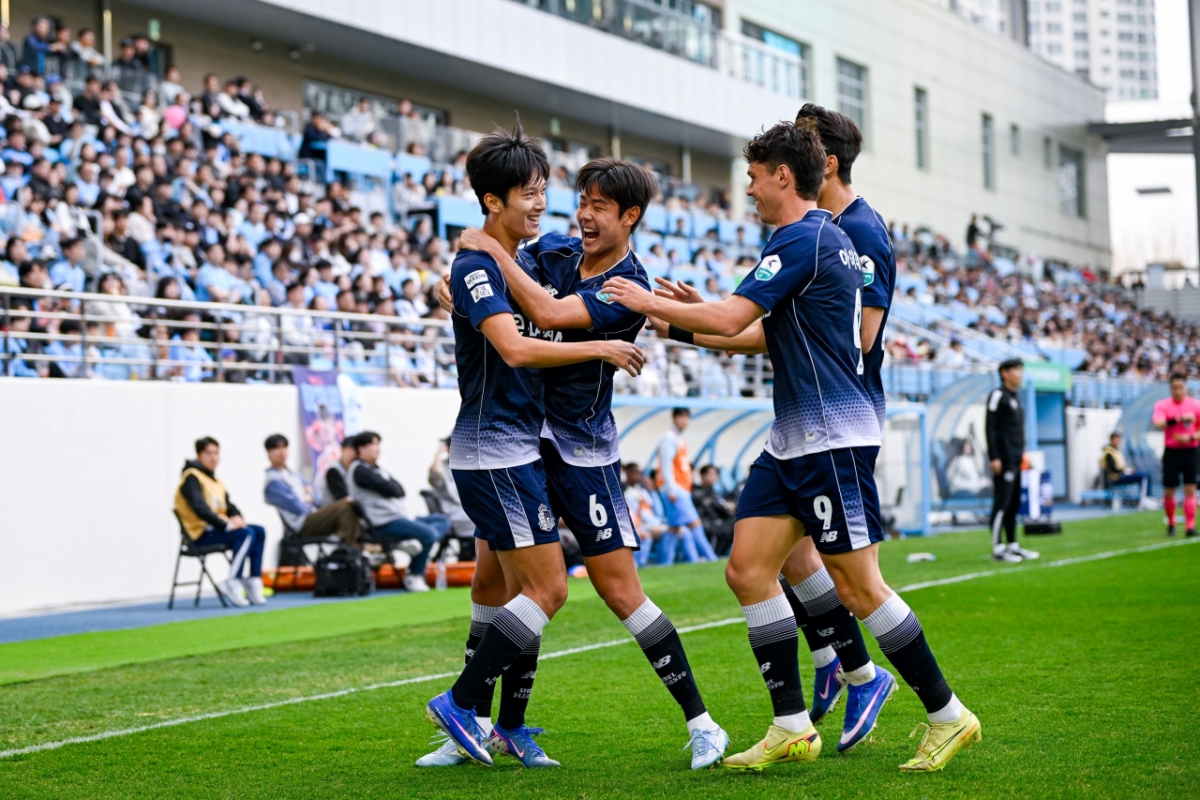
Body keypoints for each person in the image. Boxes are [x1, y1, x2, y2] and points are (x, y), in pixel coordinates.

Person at [600, 119, 979, 773]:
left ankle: (948, 715)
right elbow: (758, 329)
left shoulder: (806, 238)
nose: (746, 187)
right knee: (747, 568)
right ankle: (791, 725)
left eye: (753, 175)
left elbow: (733, 319)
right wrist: (681, 322)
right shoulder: (811, 238)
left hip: (831, 439)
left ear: (783, 175)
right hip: (794, 440)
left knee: (859, 589)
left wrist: (650, 302)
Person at [443, 156, 728, 768]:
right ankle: (500, 728)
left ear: (630, 217)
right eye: (583, 202)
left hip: (583, 453)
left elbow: (545, 315)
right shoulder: (553, 255)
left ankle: (703, 723)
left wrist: (487, 253)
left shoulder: (628, 287)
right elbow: (506, 290)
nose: (585, 215)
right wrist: (463, 282)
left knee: (620, 590)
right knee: (499, 580)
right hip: (523, 441)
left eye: (600, 207)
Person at [422, 124, 645, 770]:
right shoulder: (478, 265)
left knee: (499, 586)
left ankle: (498, 727)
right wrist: (601, 346)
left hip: (514, 451)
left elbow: (546, 305)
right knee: (547, 590)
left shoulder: (512, 262)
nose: (542, 204)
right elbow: (520, 344)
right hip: (494, 453)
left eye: (545, 191)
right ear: (493, 201)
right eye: (529, 193)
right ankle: (464, 707)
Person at [345, 431, 448, 592]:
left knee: (441, 520)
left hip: (401, 519)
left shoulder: (378, 469)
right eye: (373, 444)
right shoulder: (359, 470)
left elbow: (400, 489)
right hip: (384, 523)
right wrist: (390, 487)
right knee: (427, 535)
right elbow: (392, 489)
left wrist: (391, 487)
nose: (377, 448)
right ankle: (415, 574)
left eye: (378, 444)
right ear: (361, 449)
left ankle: (407, 542)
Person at [173, 437, 268, 607]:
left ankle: (253, 581)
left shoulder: (216, 482)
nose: (213, 457)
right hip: (199, 534)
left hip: (216, 530)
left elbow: (229, 506)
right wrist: (227, 525)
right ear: (198, 455)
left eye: (216, 453)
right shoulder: (191, 477)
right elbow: (200, 508)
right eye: (208, 453)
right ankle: (232, 581)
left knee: (259, 530)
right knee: (245, 534)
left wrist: (237, 516)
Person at [262, 434, 361, 544]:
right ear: (268, 452)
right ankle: (350, 549)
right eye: (276, 448)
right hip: (301, 523)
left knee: (351, 506)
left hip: (313, 515)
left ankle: (351, 548)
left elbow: (318, 497)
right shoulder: (274, 481)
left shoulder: (294, 474)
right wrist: (307, 498)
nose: (281, 451)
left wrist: (306, 497)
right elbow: (298, 508)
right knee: (345, 506)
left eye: (284, 447)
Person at [986, 359, 1039, 562]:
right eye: (1016, 369)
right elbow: (990, 427)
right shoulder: (998, 395)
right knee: (1002, 502)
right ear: (1004, 373)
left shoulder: (1016, 397)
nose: (1020, 373)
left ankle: (1012, 544)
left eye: (1021, 369)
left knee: (1014, 502)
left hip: (1016, 459)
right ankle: (998, 548)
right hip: (1003, 459)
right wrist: (994, 456)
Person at [656, 408, 717, 563]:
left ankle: (664, 563)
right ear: (674, 419)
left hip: (680, 488)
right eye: (681, 417)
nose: (684, 421)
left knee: (674, 527)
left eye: (687, 418)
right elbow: (666, 464)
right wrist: (671, 488)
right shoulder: (669, 437)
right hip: (675, 489)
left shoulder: (679, 437)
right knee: (695, 523)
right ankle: (711, 559)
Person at [1152, 373, 1200, 538]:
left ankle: (1190, 526)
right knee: (1169, 489)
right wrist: (1178, 419)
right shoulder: (1163, 405)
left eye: (1181, 387)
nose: (1178, 391)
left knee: (1190, 488)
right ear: (1170, 388)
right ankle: (1171, 523)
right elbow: (1158, 423)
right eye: (1174, 388)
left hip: (1191, 451)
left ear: (1186, 387)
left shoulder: (1195, 405)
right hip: (1171, 451)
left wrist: (1192, 436)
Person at [1099, 432, 1152, 507]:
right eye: (1115, 440)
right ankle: (1145, 499)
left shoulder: (1117, 452)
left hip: (1122, 475)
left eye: (1118, 440)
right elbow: (1114, 469)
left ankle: (1147, 498)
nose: (1117, 442)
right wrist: (1126, 471)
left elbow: (1120, 466)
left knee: (1145, 473)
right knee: (1144, 476)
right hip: (1117, 478)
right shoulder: (1109, 453)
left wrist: (1127, 470)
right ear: (1111, 440)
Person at [693, 464, 735, 557]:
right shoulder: (696, 491)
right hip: (707, 522)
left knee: (736, 523)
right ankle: (713, 555)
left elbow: (722, 506)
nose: (715, 477)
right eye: (712, 474)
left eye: (716, 474)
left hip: (719, 521)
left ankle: (723, 554)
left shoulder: (714, 492)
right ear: (703, 476)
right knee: (721, 530)